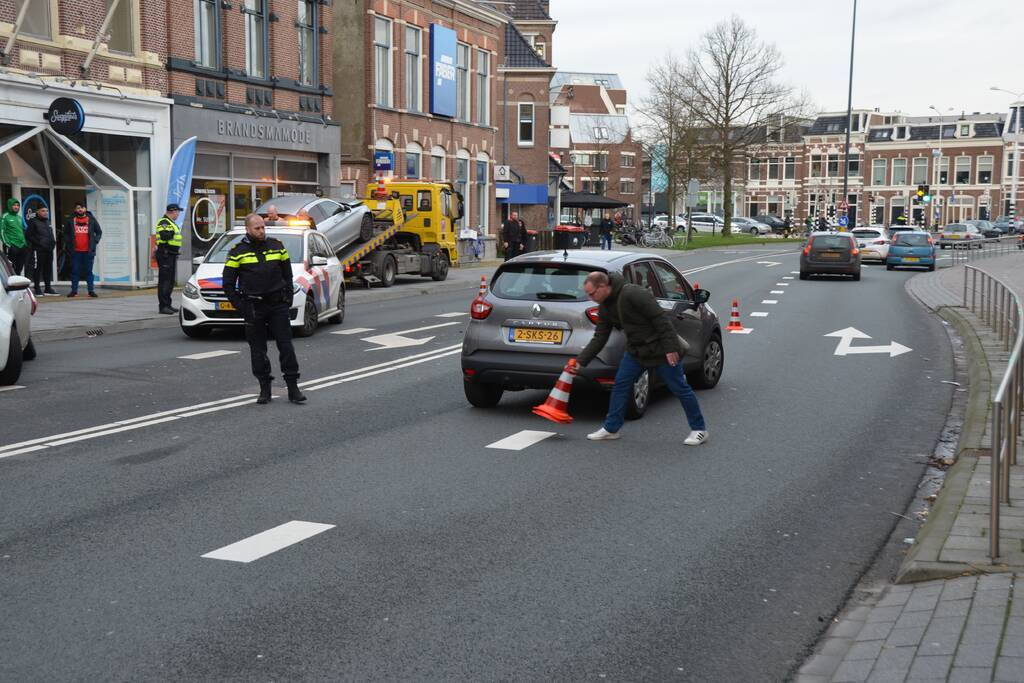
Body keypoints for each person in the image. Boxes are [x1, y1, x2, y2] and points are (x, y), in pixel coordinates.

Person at [571, 271, 708, 445]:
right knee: (620, 385)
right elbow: (600, 337)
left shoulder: (633, 293)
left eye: (592, 293)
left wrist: (670, 348)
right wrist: (580, 361)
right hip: (636, 352)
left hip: (660, 351)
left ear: (604, 286)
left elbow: (661, 319)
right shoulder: (605, 306)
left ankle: (699, 430)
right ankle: (611, 429)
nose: (591, 298)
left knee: (680, 388)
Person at [222, 213, 306, 405]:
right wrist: (242, 307)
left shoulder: (277, 246)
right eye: (257, 228)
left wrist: (287, 299)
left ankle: (293, 388)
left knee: (286, 346)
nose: (261, 231)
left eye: (263, 227)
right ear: (248, 229)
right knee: (258, 350)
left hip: (277, 305)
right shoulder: (237, 251)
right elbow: (228, 284)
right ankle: (264, 389)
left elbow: (287, 274)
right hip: (253, 307)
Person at [63, 202, 102, 297]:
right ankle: (74, 291)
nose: (80, 209)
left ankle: (91, 291)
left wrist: (95, 242)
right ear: (75, 210)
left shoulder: (91, 219)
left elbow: (99, 232)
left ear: (85, 209)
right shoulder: (70, 220)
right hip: (75, 251)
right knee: (75, 271)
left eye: (82, 208)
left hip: (88, 251)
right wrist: (69, 243)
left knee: (88, 272)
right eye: (78, 208)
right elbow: (66, 234)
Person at [154, 203, 183, 314]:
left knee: (170, 281)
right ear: (173, 211)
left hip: (171, 255)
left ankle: (168, 304)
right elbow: (165, 236)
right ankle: (163, 306)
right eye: (178, 212)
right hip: (165, 254)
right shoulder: (164, 222)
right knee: (164, 281)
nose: (178, 214)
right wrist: (170, 232)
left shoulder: (170, 223)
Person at [25, 206, 57, 295]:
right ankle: (37, 288)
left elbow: (50, 234)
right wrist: (39, 243)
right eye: (43, 211)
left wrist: (53, 243)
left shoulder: (47, 221)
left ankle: (48, 288)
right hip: (39, 250)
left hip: (49, 249)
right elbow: (28, 236)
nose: (45, 212)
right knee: (37, 269)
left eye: (47, 211)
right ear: (37, 212)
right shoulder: (33, 222)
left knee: (48, 269)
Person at [1, 198, 28, 275]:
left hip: (22, 246)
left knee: (19, 268)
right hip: (12, 246)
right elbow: (2, 232)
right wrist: (8, 244)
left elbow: (23, 231)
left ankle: (18, 285)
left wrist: (25, 244)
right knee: (9, 268)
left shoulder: (19, 218)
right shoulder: (5, 216)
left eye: (18, 205)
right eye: (14, 205)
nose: (16, 207)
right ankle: (10, 285)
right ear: (10, 206)